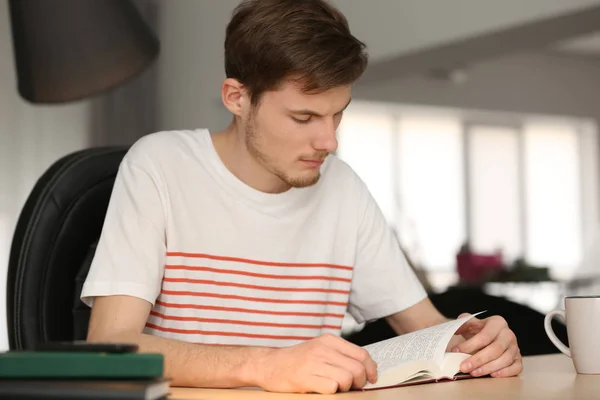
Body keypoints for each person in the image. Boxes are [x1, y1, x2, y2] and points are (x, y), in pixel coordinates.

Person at [81, 0, 522, 394]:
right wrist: (265, 365)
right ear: (236, 98)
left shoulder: (342, 188)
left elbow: (426, 329)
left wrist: (476, 343)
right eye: (304, 116)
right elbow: (110, 347)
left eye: (337, 115)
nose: (328, 141)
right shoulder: (159, 165)